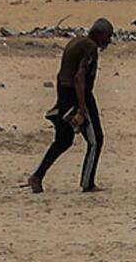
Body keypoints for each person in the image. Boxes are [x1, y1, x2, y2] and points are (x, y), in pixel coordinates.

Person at [28, 19, 113, 194]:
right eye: (108, 36)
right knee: (96, 140)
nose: (109, 40)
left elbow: (62, 74)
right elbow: (79, 77)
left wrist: (61, 102)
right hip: (79, 96)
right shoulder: (90, 48)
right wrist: (82, 108)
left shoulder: (76, 42)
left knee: (63, 141)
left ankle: (37, 176)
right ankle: (88, 183)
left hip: (65, 95)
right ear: (99, 34)